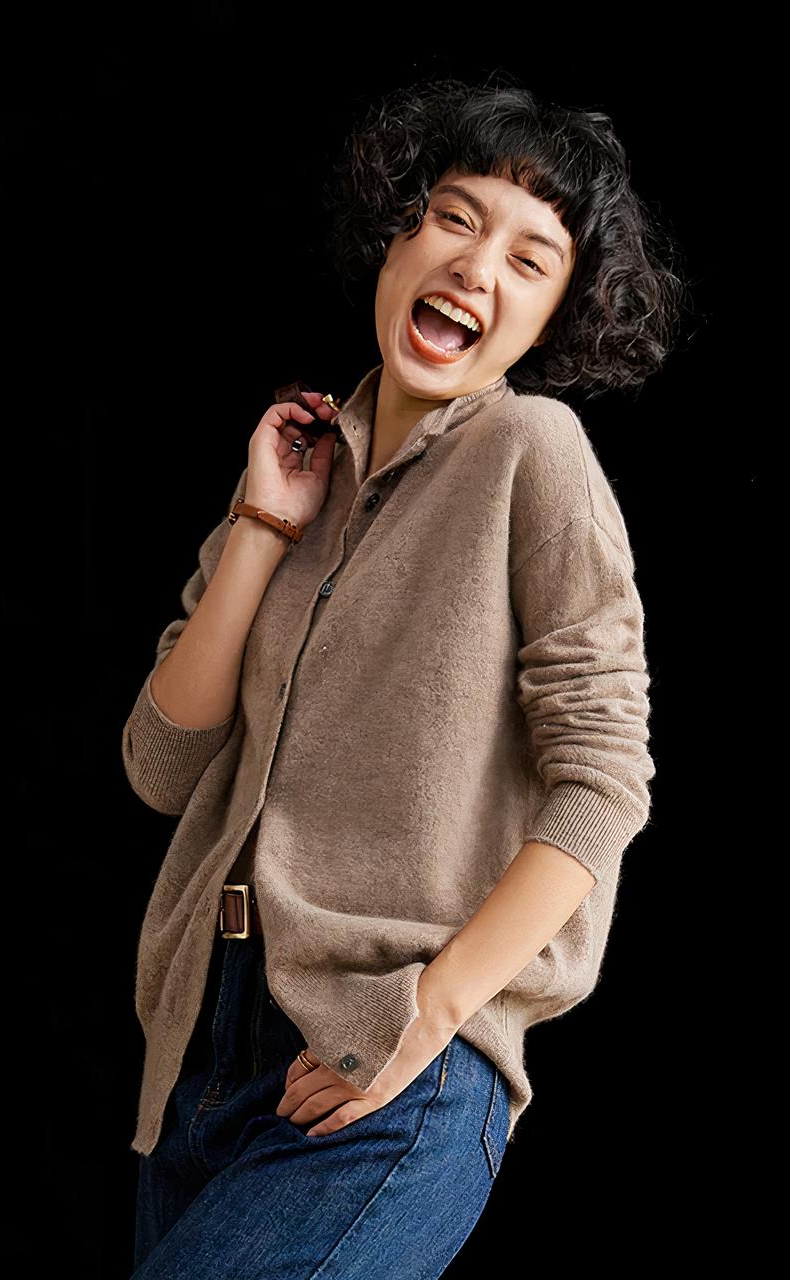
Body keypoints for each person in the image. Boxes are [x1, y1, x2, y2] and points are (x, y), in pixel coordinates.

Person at [124, 73, 692, 1278]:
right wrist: (262, 527)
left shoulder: (531, 451)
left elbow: (603, 785)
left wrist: (421, 1014)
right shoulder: (298, 462)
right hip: (200, 1058)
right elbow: (162, 764)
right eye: (454, 215)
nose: (478, 267)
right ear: (397, 233)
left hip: (391, 1059)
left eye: (531, 260)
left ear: (553, 322)